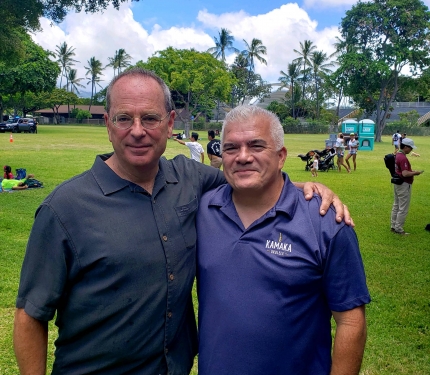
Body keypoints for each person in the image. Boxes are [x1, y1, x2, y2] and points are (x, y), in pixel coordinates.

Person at [13, 68, 351, 375]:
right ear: (107, 125)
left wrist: (303, 187)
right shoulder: (66, 207)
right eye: (122, 119)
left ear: (170, 122)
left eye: (150, 118)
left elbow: (248, 175)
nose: (137, 131)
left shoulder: (190, 178)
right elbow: (30, 315)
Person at [196, 105, 370, 375]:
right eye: (230, 148)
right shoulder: (202, 210)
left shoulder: (326, 222)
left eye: (256, 146)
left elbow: (351, 320)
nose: (242, 157)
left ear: (281, 157)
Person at [390, 138, 424, 235]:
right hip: (404, 184)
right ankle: (399, 228)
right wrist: (415, 173)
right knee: (403, 207)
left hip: (397, 183)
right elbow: (405, 173)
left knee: (396, 205)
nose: (411, 150)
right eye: (410, 148)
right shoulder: (403, 158)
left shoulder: (397, 155)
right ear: (405, 147)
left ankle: (393, 226)